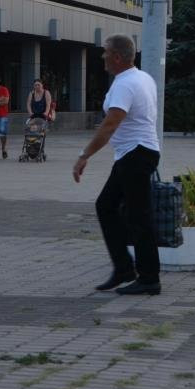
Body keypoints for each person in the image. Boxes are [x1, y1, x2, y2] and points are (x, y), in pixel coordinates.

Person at [72, 34, 163, 296]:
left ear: (118, 57)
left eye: (105, 52)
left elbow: (110, 125)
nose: (102, 57)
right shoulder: (142, 77)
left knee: (138, 216)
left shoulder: (125, 84)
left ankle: (148, 278)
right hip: (136, 153)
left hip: (135, 154)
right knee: (108, 206)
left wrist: (84, 155)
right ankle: (125, 268)